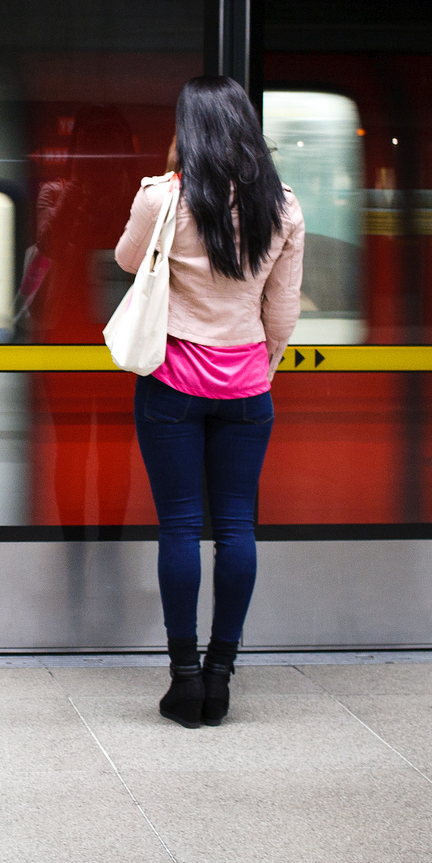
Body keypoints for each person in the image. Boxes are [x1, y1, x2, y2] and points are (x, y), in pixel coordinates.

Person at [114, 76, 304, 729]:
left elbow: (126, 259)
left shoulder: (164, 198)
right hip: (247, 390)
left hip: (171, 386)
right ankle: (221, 678)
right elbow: (282, 314)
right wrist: (261, 365)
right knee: (236, 529)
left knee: (180, 529)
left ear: (187, 129)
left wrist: (172, 173)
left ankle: (184, 680)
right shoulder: (282, 206)